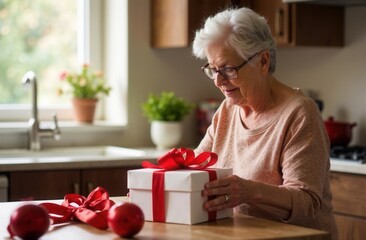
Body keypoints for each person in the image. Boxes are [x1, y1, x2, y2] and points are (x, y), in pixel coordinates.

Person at [192, 7, 338, 240]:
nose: (219, 81)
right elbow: (197, 164)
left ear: (262, 61)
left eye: (228, 69)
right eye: (213, 70)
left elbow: (307, 203)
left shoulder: (299, 112)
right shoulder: (228, 109)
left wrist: (250, 192)